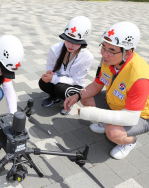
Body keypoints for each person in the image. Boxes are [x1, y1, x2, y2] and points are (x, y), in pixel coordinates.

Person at [63, 21, 149, 159]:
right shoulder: (106, 60)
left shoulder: (140, 77)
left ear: (127, 53)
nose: (104, 54)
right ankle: (108, 120)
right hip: (116, 102)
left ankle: (130, 142)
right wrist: (77, 96)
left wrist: (95, 114)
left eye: (111, 51)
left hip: (140, 115)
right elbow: (96, 85)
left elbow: (131, 117)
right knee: (85, 97)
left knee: (113, 132)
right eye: (103, 47)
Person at [39, 16, 94, 115]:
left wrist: (53, 79)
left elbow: (76, 80)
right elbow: (50, 66)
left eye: (76, 42)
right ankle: (55, 97)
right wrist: (50, 72)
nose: (70, 45)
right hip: (58, 78)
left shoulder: (88, 57)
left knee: (60, 88)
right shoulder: (55, 48)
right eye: (67, 40)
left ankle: (70, 101)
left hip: (74, 84)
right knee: (43, 82)